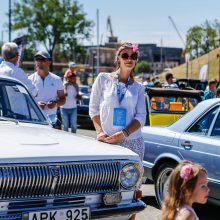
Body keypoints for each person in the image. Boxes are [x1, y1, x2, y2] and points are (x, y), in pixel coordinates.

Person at [89, 42, 146, 160]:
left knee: (130, 178)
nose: (129, 59)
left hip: (132, 142)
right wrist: (99, 132)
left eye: (133, 56)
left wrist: (123, 134)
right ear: (118, 58)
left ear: (136, 60)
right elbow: (93, 108)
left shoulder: (139, 87)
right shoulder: (103, 78)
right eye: (125, 55)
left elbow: (141, 117)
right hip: (107, 140)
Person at [28, 50, 65, 127]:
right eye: (37, 59)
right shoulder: (29, 80)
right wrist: (36, 105)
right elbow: (24, 101)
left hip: (51, 121)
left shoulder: (57, 79)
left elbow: (63, 100)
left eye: (43, 60)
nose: (40, 62)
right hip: (34, 120)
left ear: (49, 61)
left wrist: (55, 104)